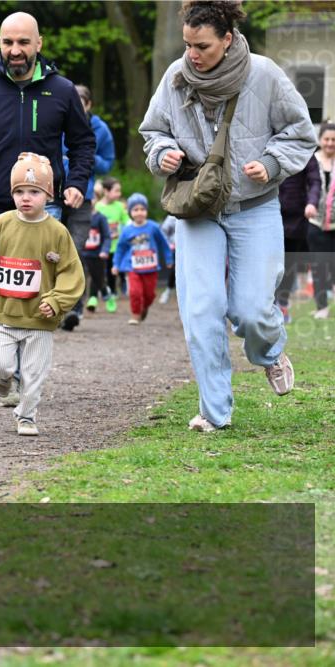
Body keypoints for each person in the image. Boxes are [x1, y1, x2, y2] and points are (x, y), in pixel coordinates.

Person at [139, 0, 315, 432]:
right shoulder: (176, 78)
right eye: (187, 44)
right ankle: (215, 413)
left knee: (251, 310)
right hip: (197, 208)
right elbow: (153, 132)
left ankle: (270, 353)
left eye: (202, 46)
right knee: (201, 309)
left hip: (254, 207)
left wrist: (271, 164)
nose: (192, 54)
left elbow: (299, 132)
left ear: (227, 39)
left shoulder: (265, 74)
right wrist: (162, 154)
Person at [0, 10, 95, 262]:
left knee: (40, 298)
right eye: (7, 42)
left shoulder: (63, 90)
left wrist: (76, 183)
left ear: (39, 43)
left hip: (45, 211)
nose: (14, 50)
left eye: (23, 42)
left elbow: (83, 144)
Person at [0, 153, 85, 436]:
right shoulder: (1, 224)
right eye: (19, 191)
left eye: (34, 191)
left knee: (34, 374)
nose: (25, 197)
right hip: (3, 314)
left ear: (48, 195)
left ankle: (26, 416)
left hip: (38, 319)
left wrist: (56, 301)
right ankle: (3, 381)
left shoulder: (57, 232)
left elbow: (71, 272)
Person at [59, 84, 116, 331]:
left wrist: (85, 156)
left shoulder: (100, 130)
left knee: (74, 251)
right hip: (52, 195)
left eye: (79, 103)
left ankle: (74, 308)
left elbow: (106, 165)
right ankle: (51, 306)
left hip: (83, 197)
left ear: (89, 105)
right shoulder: (56, 120)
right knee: (50, 250)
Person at [111, 194, 174, 325]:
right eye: (135, 209)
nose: (139, 212)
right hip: (132, 266)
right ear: (130, 212)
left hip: (151, 267)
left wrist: (168, 259)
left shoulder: (154, 227)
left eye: (142, 209)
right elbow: (120, 248)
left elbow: (163, 243)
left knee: (149, 295)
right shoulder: (126, 230)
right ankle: (135, 314)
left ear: (146, 211)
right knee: (135, 292)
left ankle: (144, 307)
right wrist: (116, 264)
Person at [275, 155, 321, 322]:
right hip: (270, 214)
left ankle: (282, 304)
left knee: (290, 265)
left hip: (297, 218)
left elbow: (315, 181)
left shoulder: (306, 153)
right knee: (270, 262)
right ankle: (268, 303)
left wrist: (312, 202)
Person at [307, 122, 335, 319]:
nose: (330, 143)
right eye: (327, 139)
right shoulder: (311, 161)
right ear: (320, 140)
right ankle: (321, 306)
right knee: (319, 265)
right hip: (315, 223)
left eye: (334, 140)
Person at [94, 176, 130, 310]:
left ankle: (114, 291)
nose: (119, 194)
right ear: (106, 191)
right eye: (116, 191)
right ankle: (103, 290)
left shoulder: (120, 206)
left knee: (113, 270)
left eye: (119, 191)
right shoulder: (97, 207)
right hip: (102, 246)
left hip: (117, 245)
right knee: (103, 270)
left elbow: (127, 222)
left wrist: (121, 233)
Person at [81, 204, 112, 314]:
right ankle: (91, 299)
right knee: (83, 278)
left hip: (98, 255)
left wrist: (105, 250)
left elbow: (107, 236)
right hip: (83, 253)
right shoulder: (79, 216)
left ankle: (106, 294)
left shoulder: (100, 218)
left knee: (97, 278)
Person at [159, 214, 180, 304]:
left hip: (191, 249)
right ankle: (167, 291)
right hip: (177, 248)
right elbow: (163, 233)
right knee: (175, 270)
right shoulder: (172, 217)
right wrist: (169, 244)